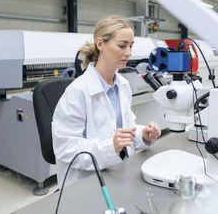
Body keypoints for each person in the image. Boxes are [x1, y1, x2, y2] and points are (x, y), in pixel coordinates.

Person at [52, 15, 161, 188]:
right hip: (87, 182)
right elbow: (66, 148)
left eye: (131, 46)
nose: (129, 53)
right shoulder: (77, 91)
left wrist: (143, 134)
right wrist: (110, 147)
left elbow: (126, 126)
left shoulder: (122, 85)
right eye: (122, 45)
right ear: (100, 44)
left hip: (119, 171)